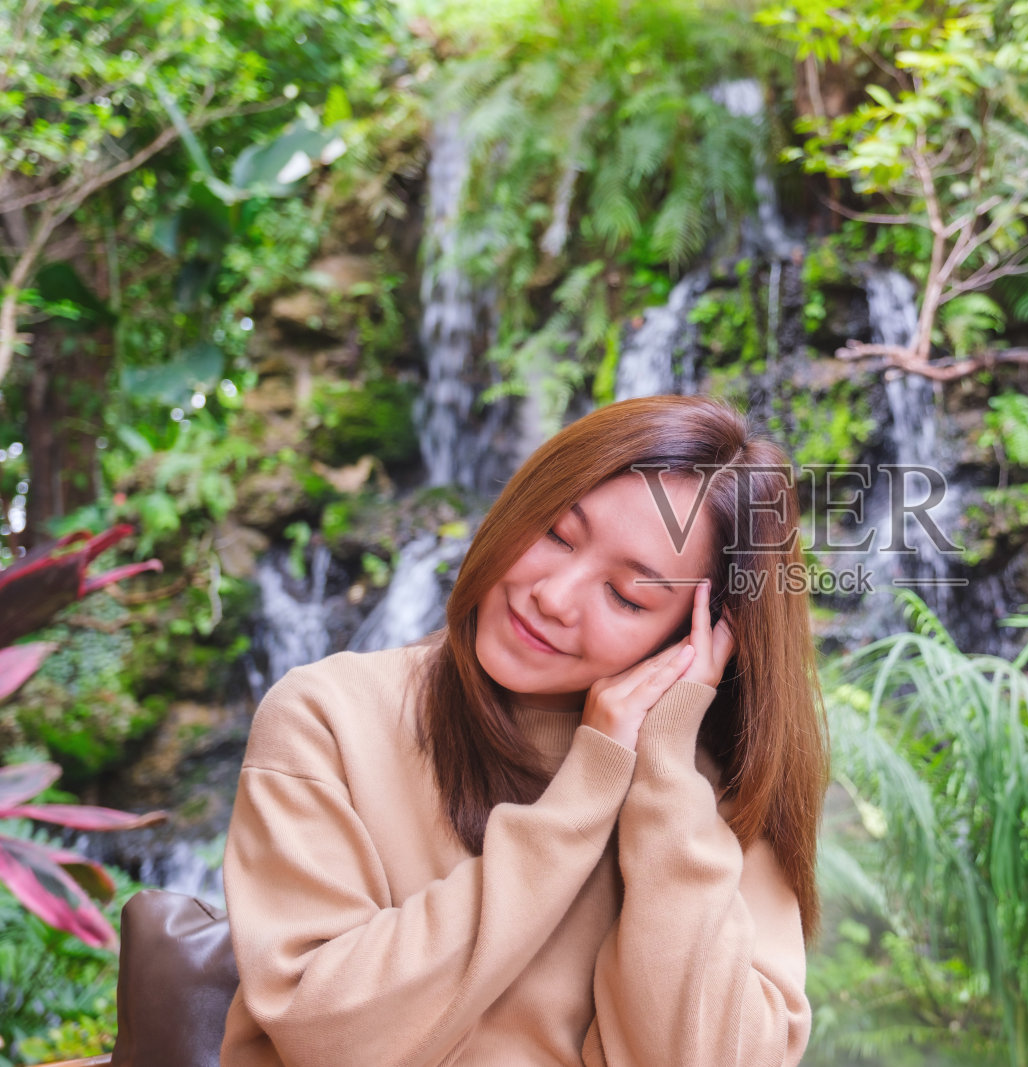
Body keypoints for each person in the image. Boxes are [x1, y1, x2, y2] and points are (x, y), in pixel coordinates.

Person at [219, 394, 829, 1067]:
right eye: (555, 534)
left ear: (702, 635)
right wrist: (582, 795)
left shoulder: (720, 798)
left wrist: (663, 780)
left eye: (628, 595)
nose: (553, 596)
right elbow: (324, 1033)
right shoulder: (327, 717)